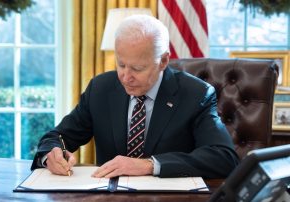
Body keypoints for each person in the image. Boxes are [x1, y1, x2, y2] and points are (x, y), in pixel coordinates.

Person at [31, 15, 239, 179]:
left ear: (164, 61)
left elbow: (223, 158)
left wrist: (150, 165)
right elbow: (56, 137)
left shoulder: (195, 94)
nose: (125, 77)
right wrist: (51, 154)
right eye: (121, 64)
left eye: (137, 68)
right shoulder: (101, 89)